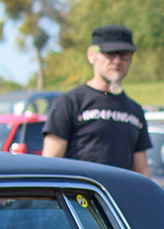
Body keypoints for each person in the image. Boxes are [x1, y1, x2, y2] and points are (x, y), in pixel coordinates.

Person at [43, 25, 150, 174]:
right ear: (91, 55)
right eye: (110, 53)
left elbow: (142, 172)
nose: (117, 61)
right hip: (79, 195)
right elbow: (50, 165)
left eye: (124, 54)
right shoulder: (69, 102)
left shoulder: (135, 110)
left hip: (116, 197)